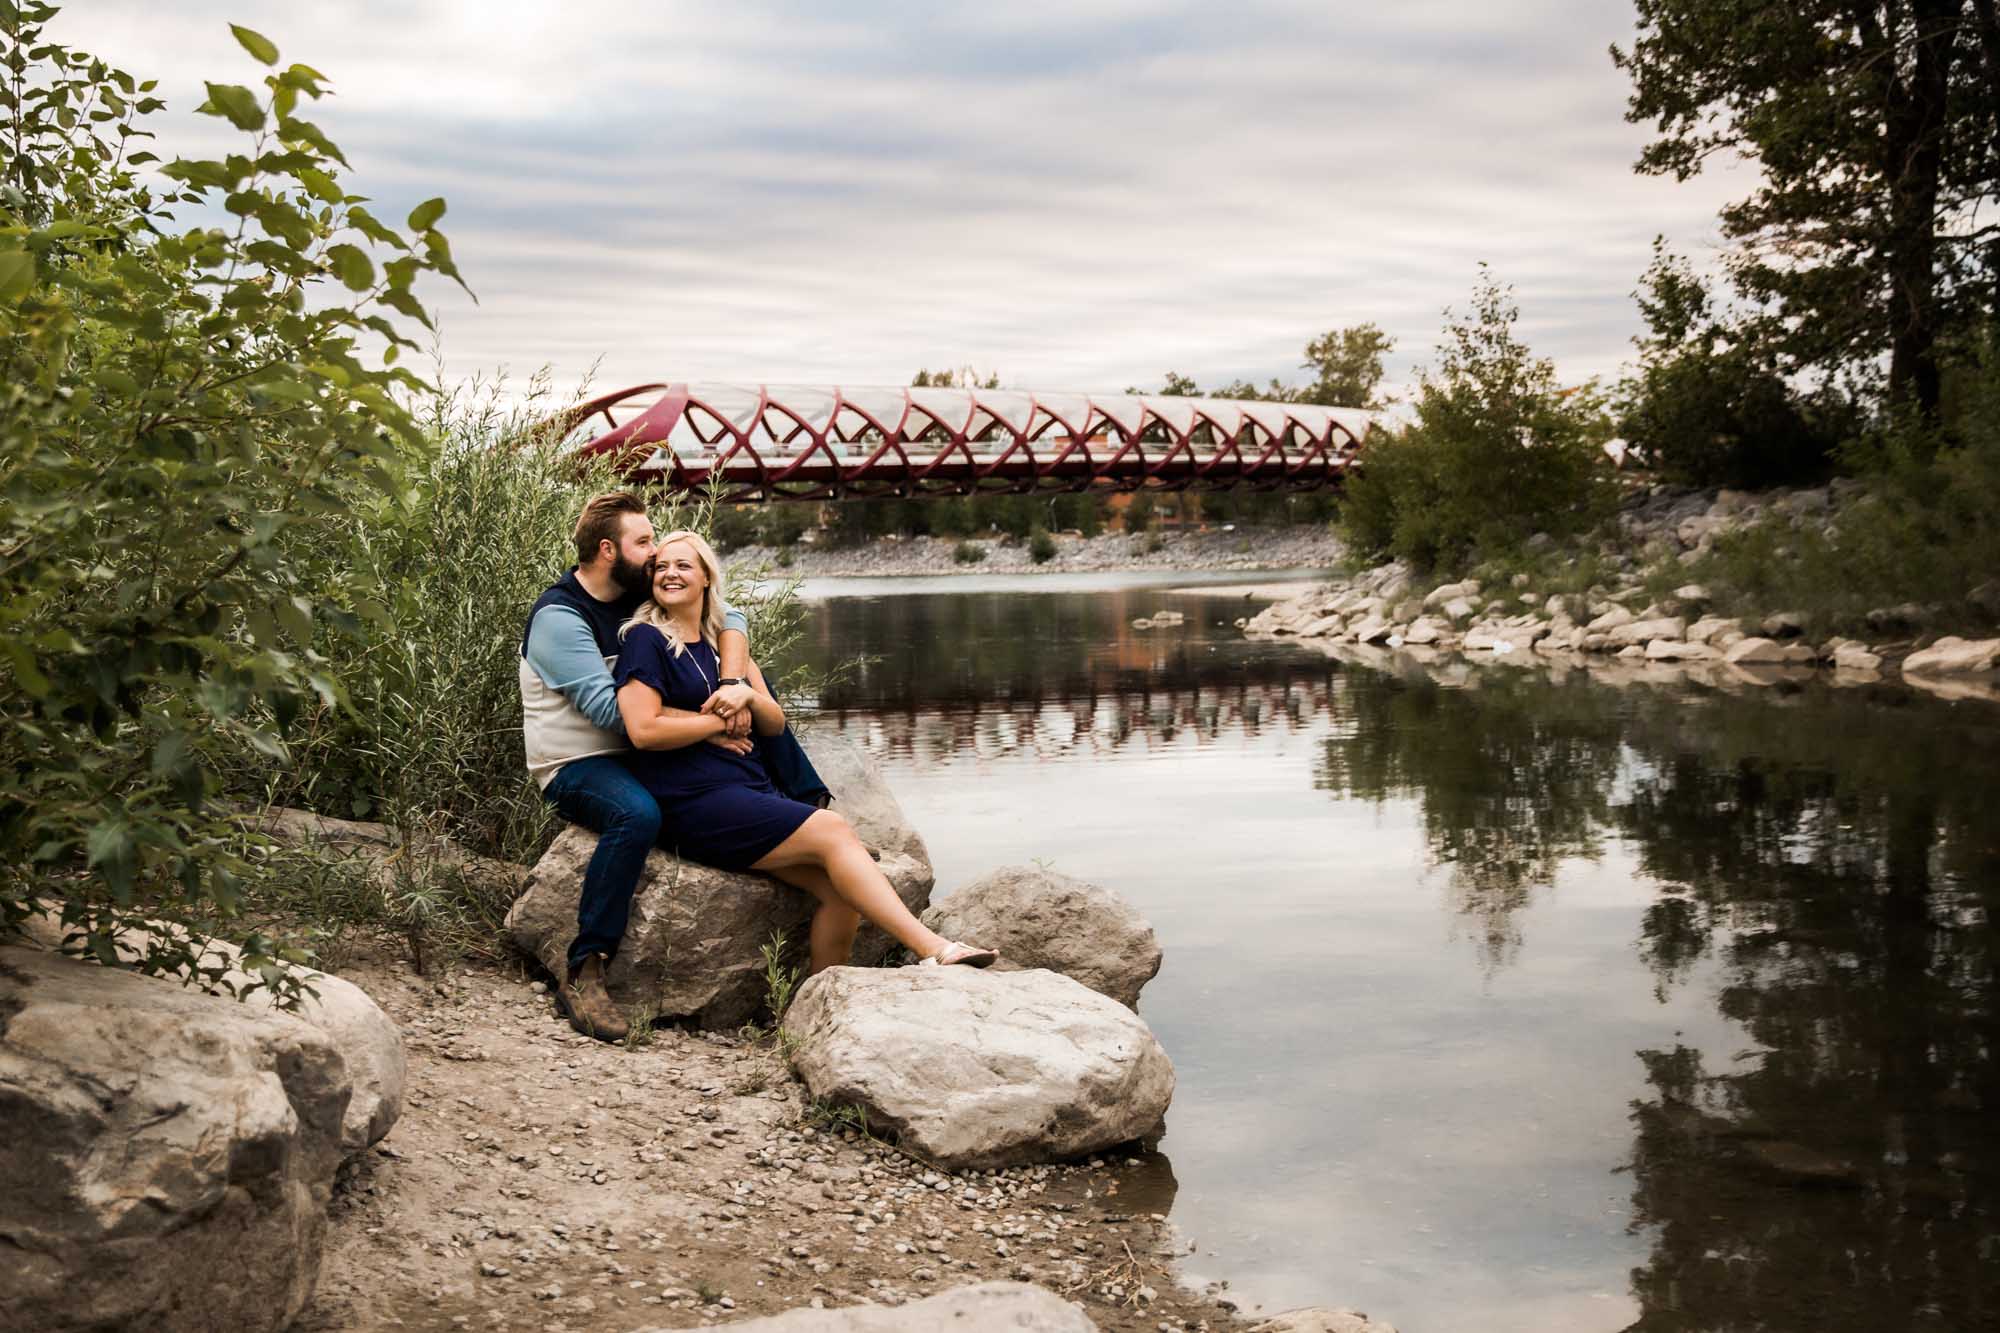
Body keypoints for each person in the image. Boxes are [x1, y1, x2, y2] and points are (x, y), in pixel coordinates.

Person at [613, 530, 997, 976]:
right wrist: (717, 723)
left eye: (682, 566)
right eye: (661, 567)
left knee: (840, 893)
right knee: (833, 829)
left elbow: (774, 724)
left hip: (745, 790)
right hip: (690, 798)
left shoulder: (723, 641)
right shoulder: (645, 640)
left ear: (706, 579)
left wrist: (746, 698)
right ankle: (934, 948)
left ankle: (818, 997)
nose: (670, 574)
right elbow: (643, 731)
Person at [520, 493, 827, 1042]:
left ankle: (808, 809)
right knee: (636, 816)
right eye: (645, 542)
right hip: (582, 763)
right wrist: (716, 721)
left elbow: (728, 615)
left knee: (755, 689)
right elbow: (612, 714)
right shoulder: (559, 618)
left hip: (651, 751)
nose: (658, 549)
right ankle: (587, 968)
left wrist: (732, 687)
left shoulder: (639, 596)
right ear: (610, 551)